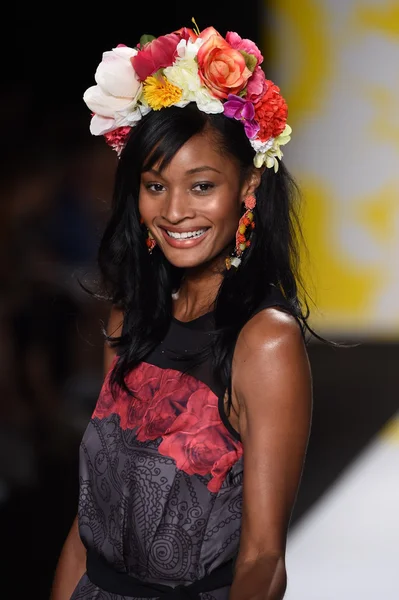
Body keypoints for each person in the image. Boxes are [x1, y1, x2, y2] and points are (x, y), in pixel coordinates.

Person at [50, 21, 314, 600]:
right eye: (154, 185)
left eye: (200, 186)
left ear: (247, 187)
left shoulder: (264, 340)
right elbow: (89, 518)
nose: (174, 211)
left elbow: (264, 558)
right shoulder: (130, 317)